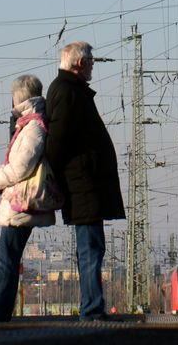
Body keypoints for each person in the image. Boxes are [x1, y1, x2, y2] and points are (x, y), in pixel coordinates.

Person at [45, 41, 125, 320]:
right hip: (83, 185)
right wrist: (54, 176)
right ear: (80, 63)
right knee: (90, 249)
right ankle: (92, 309)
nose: (93, 65)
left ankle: (93, 306)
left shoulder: (69, 90)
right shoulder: (68, 92)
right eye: (91, 61)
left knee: (91, 248)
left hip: (84, 184)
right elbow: (58, 140)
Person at [0, 74, 56, 322]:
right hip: (20, 203)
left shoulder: (33, 127)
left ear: (19, 97)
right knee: (7, 260)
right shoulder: (28, 124)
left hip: (21, 203)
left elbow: (20, 167)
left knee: (6, 261)